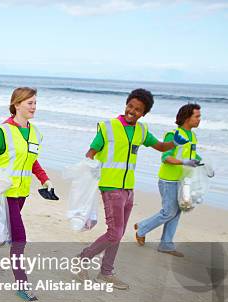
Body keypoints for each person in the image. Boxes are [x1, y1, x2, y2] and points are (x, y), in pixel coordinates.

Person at [78, 89, 189, 290]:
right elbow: (90, 153)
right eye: (130, 106)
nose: (132, 111)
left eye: (138, 109)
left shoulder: (142, 131)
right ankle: (83, 258)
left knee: (118, 234)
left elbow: (162, 147)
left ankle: (106, 272)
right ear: (126, 104)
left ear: (144, 113)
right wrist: (89, 178)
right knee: (114, 233)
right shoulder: (108, 127)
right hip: (110, 186)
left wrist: (175, 142)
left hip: (128, 189)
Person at [0, 87, 59, 302]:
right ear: (17, 104)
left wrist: (44, 179)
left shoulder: (35, 133)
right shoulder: (2, 131)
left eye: (35, 103)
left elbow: (32, 161)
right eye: (30, 103)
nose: (34, 107)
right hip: (4, 194)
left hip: (22, 193)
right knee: (19, 238)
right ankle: (22, 285)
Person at [134, 104, 203, 257]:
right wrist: (184, 162)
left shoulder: (192, 136)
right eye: (197, 116)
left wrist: (204, 164)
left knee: (177, 212)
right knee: (168, 212)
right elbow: (166, 158)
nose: (199, 119)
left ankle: (166, 245)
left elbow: (193, 155)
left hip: (183, 180)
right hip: (168, 180)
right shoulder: (173, 135)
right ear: (186, 118)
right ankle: (142, 228)